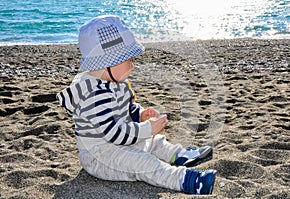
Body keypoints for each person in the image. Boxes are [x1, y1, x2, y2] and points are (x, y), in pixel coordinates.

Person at [57, 15, 216, 195]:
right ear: (109, 62)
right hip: (101, 157)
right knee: (144, 163)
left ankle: (179, 155)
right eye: (129, 60)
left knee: (154, 142)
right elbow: (114, 133)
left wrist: (140, 115)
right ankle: (184, 180)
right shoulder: (94, 95)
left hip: (117, 145)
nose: (132, 66)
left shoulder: (115, 82)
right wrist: (147, 128)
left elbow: (126, 109)